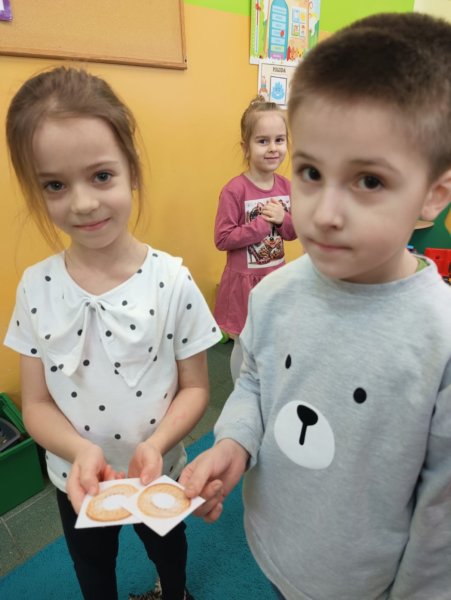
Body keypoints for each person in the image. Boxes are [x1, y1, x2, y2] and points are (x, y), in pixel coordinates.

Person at [180, 12, 451, 600]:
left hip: (368, 584)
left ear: (433, 196)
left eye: (369, 181)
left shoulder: (441, 338)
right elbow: (255, 382)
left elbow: (442, 520)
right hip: (274, 547)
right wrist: (234, 442)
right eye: (309, 172)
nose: (324, 214)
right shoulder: (274, 294)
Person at [3, 66, 222, 600]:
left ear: (132, 170)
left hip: (157, 469)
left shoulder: (172, 280)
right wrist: (78, 451)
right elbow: (36, 404)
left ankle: (175, 593)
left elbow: (196, 387)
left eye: (101, 175)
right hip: (76, 478)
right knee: (92, 569)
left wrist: (157, 444)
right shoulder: (35, 286)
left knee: (169, 549)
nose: (82, 203)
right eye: (55, 185)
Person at [213, 96, 297, 380]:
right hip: (244, 284)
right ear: (245, 147)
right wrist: (260, 227)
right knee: (245, 342)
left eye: (279, 140)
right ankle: (242, 395)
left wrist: (283, 219)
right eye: (262, 141)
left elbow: (293, 232)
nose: (273, 148)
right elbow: (222, 238)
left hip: (275, 278)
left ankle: (266, 390)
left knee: (272, 341)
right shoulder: (234, 190)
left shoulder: (286, 187)